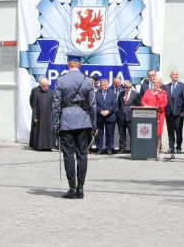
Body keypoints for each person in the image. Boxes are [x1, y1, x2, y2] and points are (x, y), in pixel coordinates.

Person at [52, 52, 96, 200]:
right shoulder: (88, 81)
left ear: (68, 64)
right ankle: (81, 187)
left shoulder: (61, 80)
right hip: (83, 120)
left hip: (67, 121)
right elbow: (92, 105)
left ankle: (72, 187)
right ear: (80, 64)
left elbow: (56, 105)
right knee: (82, 154)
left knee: (68, 154)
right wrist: (93, 123)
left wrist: (55, 123)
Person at [140, 76, 168, 158]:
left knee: (157, 133)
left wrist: (158, 106)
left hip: (159, 114)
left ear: (160, 84)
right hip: (148, 114)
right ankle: (148, 149)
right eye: (154, 82)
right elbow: (143, 100)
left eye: (157, 82)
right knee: (148, 131)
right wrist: (145, 106)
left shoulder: (163, 92)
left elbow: (164, 103)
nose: (155, 84)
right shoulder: (148, 92)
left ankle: (157, 149)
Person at [29, 77, 56, 151]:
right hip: (39, 115)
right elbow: (34, 105)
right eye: (44, 86)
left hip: (49, 115)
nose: (45, 87)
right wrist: (34, 116)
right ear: (41, 86)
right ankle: (40, 146)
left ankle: (49, 146)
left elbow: (54, 105)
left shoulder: (52, 93)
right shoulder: (37, 93)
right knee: (39, 130)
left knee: (49, 131)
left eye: (46, 86)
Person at [164, 70, 184, 154]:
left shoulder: (183, 86)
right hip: (169, 112)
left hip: (178, 112)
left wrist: (183, 111)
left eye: (177, 74)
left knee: (178, 130)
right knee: (170, 131)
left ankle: (179, 147)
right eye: (174, 74)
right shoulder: (166, 86)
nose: (175, 76)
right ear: (170, 76)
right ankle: (171, 147)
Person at [95, 78, 118, 155]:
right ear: (100, 85)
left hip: (110, 116)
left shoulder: (112, 93)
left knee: (110, 134)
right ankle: (100, 149)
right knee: (100, 134)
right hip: (100, 116)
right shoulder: (96, 94)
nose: (106, 86)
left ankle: (109, 149)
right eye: (104, 85)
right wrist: (101, 111)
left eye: (107, 84)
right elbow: (95, 104)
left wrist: (108, 111)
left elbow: (114, 104)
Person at [116, 80, 139, 154]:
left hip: (131, 116)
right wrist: (119, 113)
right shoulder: (121, 93)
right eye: (124, 87)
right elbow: (118, 104)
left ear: (130, 87)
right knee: (122, 133)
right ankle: (122, 148)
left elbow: (138, 105)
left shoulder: (135, 94)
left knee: (132, 133)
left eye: (127, 88)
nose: (125, 89)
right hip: (122, 116)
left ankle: (133, 149)